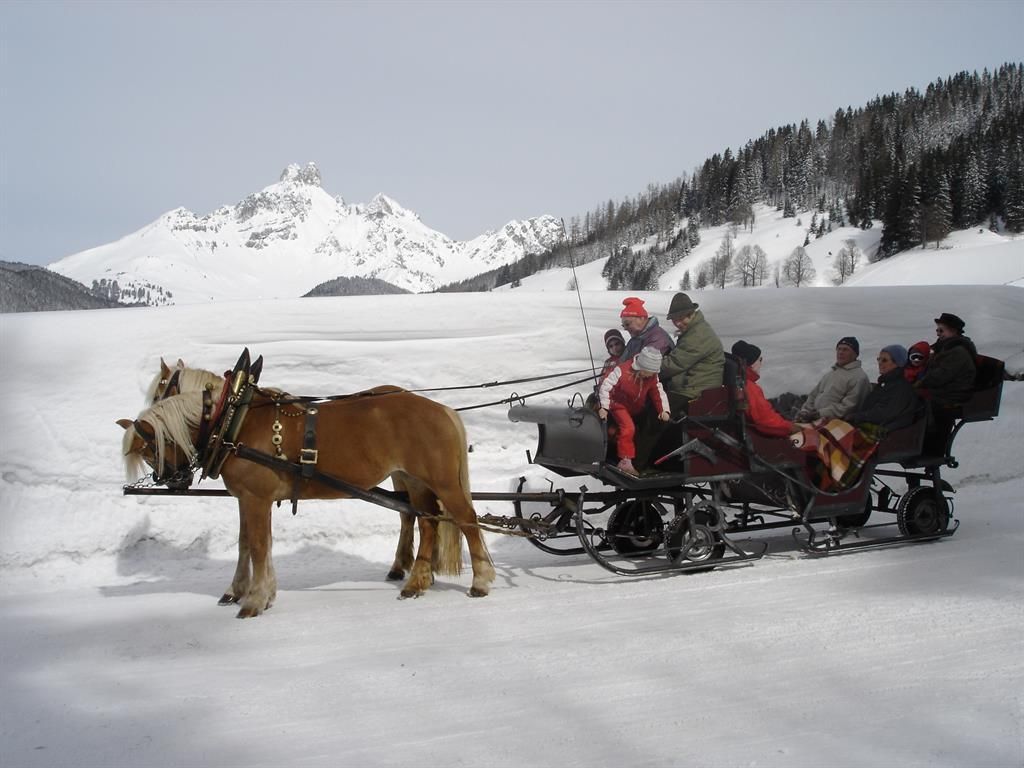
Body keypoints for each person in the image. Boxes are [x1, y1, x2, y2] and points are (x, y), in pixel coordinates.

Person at [597, 346, 671, 476]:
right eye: (648, 372)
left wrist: (664, 410)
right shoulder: (622, 371)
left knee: (643, 428)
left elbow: (658, 392)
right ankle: (625, 461)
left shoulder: (652, 377)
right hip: (618, 404)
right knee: (628, 428)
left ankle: (640, 461)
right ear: (640, 366)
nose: (650, 375)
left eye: (652, 373)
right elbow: (606, 387)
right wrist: (604, 407)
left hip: (635, 407)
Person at [659, 292, 725, 414]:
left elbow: (674, 364)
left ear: (691, 314)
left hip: (698, 392)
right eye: (674, 320)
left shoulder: (698, 335)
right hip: (690, 386)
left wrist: (649, 369)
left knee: (657, 409)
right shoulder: (693, 330)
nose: (678, 323)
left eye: (681, 318)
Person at [730, 341, 799, 437]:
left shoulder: (734, 379)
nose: (761, 363)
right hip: (757, 437)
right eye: (760, 359)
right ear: (752, 364)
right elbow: (766, 421)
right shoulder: (749, 387)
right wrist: (791, 428)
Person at [795, 336, 871, 422]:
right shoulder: (831, 373)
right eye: (839, 349)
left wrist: (819, 414)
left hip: (835, 423)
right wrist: (805, 411)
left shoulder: (859, 377)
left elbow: (848, 407)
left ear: (855, 354)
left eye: (845, 350)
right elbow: (813, 395)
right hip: (814, 418)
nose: (840, 352)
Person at [848, 345, 920, 433]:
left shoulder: (901, 387)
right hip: (870, 427)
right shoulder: (886, 383)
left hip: (884, 433)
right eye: (879, 359)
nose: (880, 363)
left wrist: (857, 416)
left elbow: (884, 413)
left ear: (898, 363)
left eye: (884, 360)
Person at [915, 313, 977, 406]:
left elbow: (940, 376)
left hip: (954, 394)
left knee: (908, 394)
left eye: (941, 331)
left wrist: (919, 383)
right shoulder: (943, 346)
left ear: (953, 331)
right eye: (937, 330)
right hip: (943, 389)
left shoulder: (958, 352)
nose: (938, 334)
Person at [618, 297, 673, 363]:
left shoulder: (658, 338)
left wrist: (620, 369)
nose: (625, 328)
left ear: (641, 318)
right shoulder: (636, 338)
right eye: (623, 326)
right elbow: (623, 360)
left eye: (627, 324)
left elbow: (644, 364)